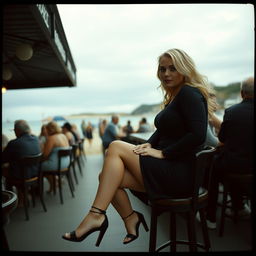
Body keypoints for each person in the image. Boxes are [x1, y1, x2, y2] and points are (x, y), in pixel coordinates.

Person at [62, 48, 214, 246]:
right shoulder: (176, 97)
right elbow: (164, 131)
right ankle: (130, 218)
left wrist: (163, 153)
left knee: (115, 146)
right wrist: (150, 144)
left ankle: (96, 216)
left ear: (184, 69)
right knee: (106, 178)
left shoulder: (189, 93)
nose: (166, 74)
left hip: (180, 174)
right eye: (162, 69)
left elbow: (197, 135)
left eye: (173, 68)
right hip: (171, 169)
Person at [203, 77, 254, 228]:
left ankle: (210, 216)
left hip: (233, 167)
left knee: (214, 167)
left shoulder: (231, 111)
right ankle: (239, 206)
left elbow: (222, 140)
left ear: (242, 93)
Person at [2, 120, 41, 205]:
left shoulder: (14, 143)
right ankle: (23, 195)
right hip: (35, 174)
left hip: (21, 176)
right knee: (16, 167)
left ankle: (9, 202)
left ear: (18, 131)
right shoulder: (36, 139)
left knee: (5, 170)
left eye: (14, 130)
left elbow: (3, 159)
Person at [41, 121, 70, 193]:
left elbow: (45, 155)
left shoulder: (51, 138)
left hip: (56, 165)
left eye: (47, 129)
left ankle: (52, 185)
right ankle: (55, 182)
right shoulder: (63, 136)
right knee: (46, 164)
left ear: (50, 129)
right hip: (66, 163)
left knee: (38, 167)